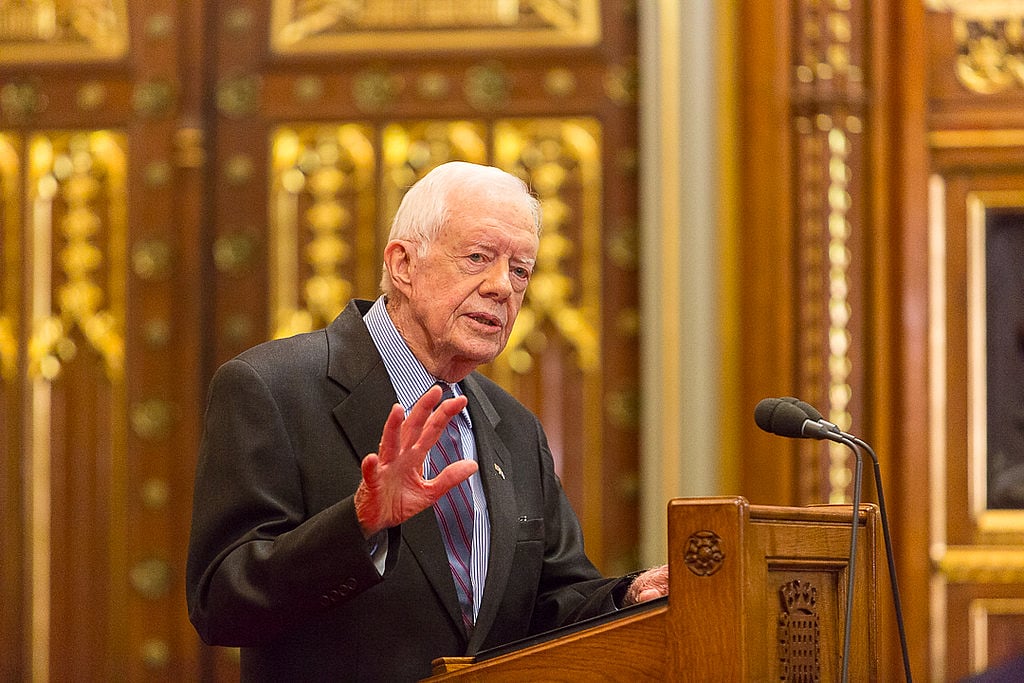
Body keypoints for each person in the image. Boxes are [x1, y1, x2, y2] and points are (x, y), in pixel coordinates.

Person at [186, 161, 668, 681]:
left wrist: (629, 596)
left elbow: (550, 604)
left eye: (521, 269)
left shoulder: (514, 427)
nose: (502, 287)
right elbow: (221, 603)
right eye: (478, 258)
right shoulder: (271, 387)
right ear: (404, 264)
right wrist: (359, 526)